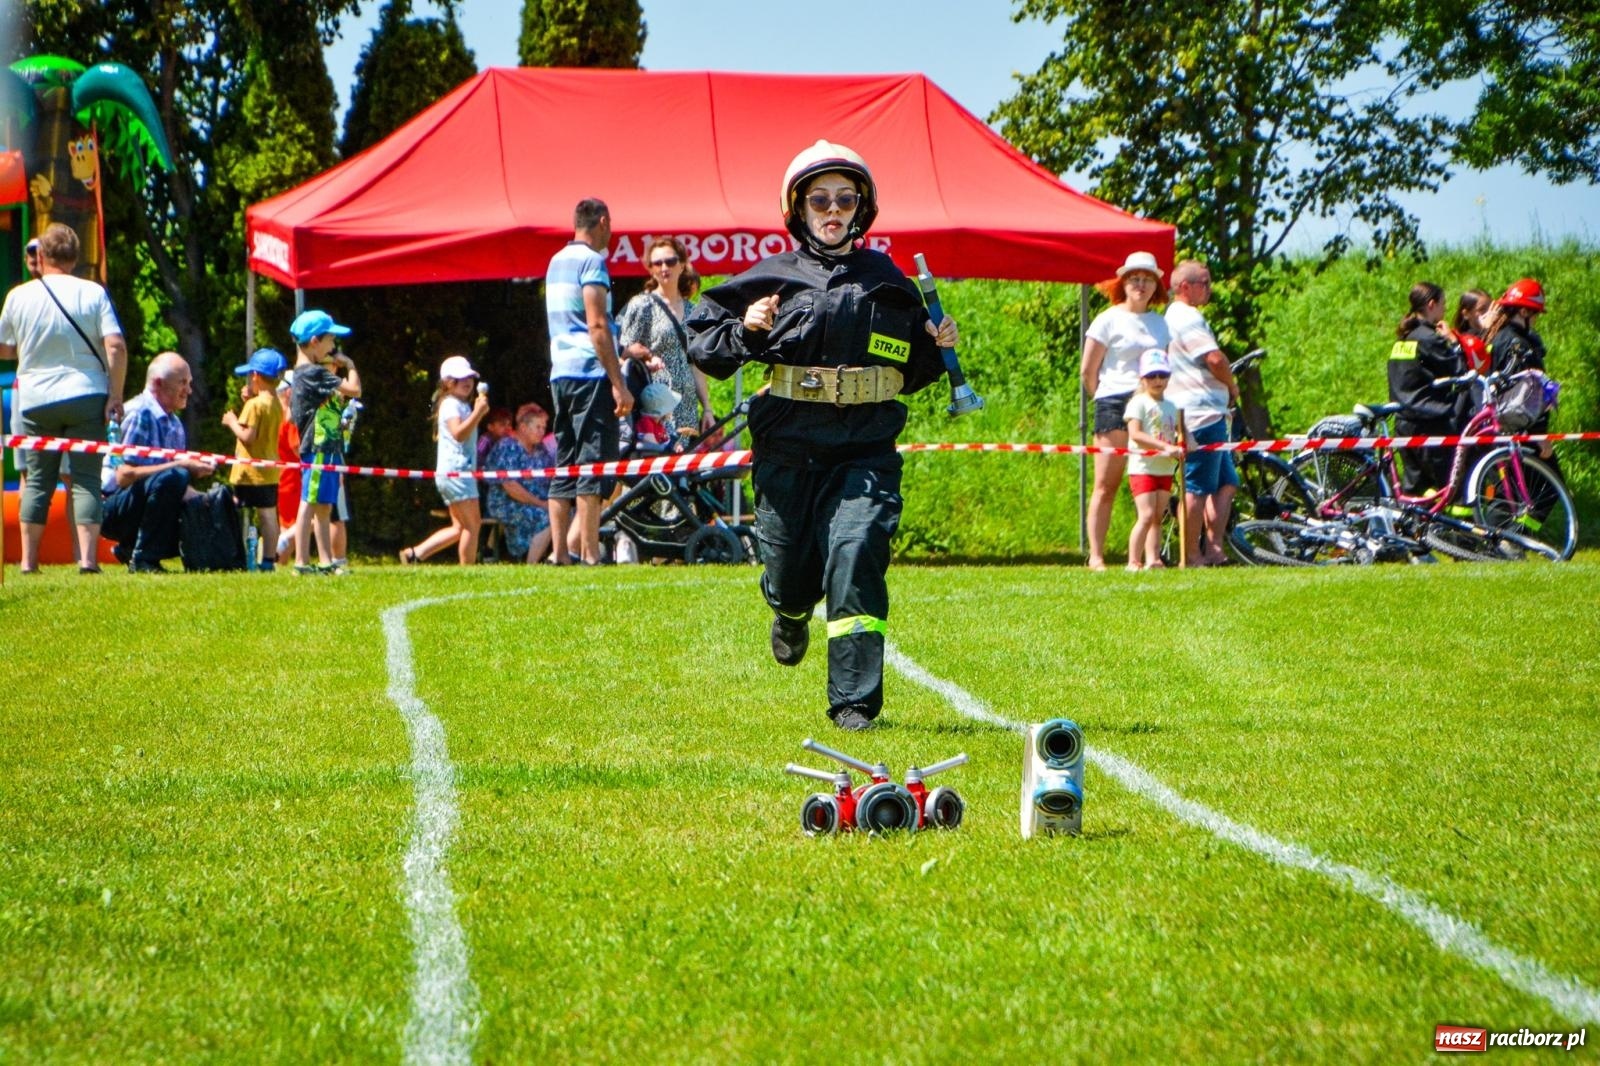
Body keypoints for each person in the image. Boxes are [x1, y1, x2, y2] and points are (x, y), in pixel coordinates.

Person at [687, 139, 958, 732]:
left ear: (861, 209)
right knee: (791, 577)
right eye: (819, 200)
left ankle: (854, 703)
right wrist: (746, 329)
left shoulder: (887, 282)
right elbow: (703, 341)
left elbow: (910, 371)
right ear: (798, 210)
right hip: (787, 451)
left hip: (865, 451)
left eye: (844, 199)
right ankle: (788, 609)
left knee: (857, 551)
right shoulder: (771, 277)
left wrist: (936, 347)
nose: (833, 210)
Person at [0, 223, 127, 573]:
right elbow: (115, 345)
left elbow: (4, 349)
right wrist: (115, 395)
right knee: (86, 479)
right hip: (86, 393)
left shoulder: (18, 296)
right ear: (75, 256)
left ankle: (29, 561)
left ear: (41, 255)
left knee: (37, 479)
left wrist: (31, 350)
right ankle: (87, 560)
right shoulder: (93, 293)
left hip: (34, 398)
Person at [544, 198, 631, 565]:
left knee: (565, 461)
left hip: (560, 372)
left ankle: (560, 553)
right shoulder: (592, 261)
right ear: (603, 221)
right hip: (589, 373)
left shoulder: (556, 261)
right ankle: (591, 554)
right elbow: (596, 325)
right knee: (592, 462)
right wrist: (618, 383)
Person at [1080, 250, 1171, 571]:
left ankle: (1149, 557)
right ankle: (1096, 556)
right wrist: (1104, 397)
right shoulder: (1108, 319)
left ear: (1156, 285)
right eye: (1135, 279)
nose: (1141, 285)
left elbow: (1165, 366)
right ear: (1124, 283)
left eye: (1147, 279)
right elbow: (1088, 371)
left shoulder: (1160, 323)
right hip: (1113, 401)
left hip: (1151, 405)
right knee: (1107, 483)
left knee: (1153, 482)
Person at [100, 352, 215, 572]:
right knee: (176, 475)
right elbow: (123, 476)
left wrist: (206, 500)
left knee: (196, 500)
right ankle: (143, 559)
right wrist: (181, 464)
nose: (189, 390)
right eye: (182, 383)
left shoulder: (175, 424)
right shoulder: (139, 414)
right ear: (159, 383)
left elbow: (169, 485)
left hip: (137, 501)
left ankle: (129, 548)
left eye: (190, 383)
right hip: (111, 506)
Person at [1165, 259, 1241, 567]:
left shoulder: (1176, 317)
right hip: (1200, 413)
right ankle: (1191, 555)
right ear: (1185, 287)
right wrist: (1232, 385)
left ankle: (1214, 549)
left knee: (1226, 483)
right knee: (1196, 488)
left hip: (1209, 411)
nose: (1210, 289)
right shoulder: (1187, 317)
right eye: (1205, 283)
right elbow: (1214, 359)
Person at [288, 309, 361, 575]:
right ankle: (301, 562)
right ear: (315, 341)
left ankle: (325, 561)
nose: (333, 348)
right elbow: (355, 390)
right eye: (330, 340)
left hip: (326, 447)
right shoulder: (313, 373)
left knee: (323, 506)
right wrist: (350, 365)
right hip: (318, 446)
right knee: (309, 502)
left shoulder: (305, 372)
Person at [618, 236, 715, 436]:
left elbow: (695, 365)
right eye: (657, 263)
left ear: (682, 265)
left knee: (685, 456)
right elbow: (623, 354)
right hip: (656, 404)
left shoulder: (693, 310)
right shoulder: (641, 306)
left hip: (686, 404)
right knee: (659, 454)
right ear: (651, 269)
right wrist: (646, 359)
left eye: (670, 261)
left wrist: (707, 407)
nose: (664, 267)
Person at [400, 355, 489, 566]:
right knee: (472, 525)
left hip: (455, 472)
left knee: (459, 527)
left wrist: (476, 412)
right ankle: (467, 572)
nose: (467, 382)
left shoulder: (460, 404)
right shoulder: (451, 404)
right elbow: (458, 433)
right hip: (457, 472)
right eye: (461, 378)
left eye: (470, 377)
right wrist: (478, 413)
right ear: (448, 382)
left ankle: (414, 555)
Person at [1387, 281, 1466, 495]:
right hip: (1431, 422)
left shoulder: (1405, 338)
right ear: (1431, 304)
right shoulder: (1429, 338)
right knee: (1446, 489)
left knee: (1415, 491)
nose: (1445, 309)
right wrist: (1453, 342)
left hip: (1404, 422)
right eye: (1443, 304)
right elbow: (1459, 370)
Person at [1482, 277, 1562, 475]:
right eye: (1535, 314)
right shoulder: (1521, 346)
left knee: (1507, 486)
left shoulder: (1496, 337)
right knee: (1550, 485)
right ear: (1524, 312)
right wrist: (1539, 435)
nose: (1535, 320)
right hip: (1523, 431)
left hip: (1497, 427)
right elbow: (1531, 394)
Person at [221, 347, 287, 571]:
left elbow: (248, 437)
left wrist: (232, 422)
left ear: (256, 376)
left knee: (235, 512)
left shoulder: (254, 405)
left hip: (249, 473)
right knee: (268, 516)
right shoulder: (276, 403)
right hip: (269, 471)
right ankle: (268, 561)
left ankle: (236, 555)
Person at [1123, 350, 1185, 571]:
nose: (1157, 380)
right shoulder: (1138, 403)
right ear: (1143, 378)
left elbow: (1180, 432)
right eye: (1151, 376)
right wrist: (1165, 447)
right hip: (1143, 468)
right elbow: (1136, 434)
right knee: (1146, 515)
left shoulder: (1172, 406)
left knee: (1158, 516)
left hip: (1164, 469)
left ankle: (1153, 558)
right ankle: (1133, 560)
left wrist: (1186, 444)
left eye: (1162, 375)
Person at [484, 402, 556, 564]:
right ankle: (531, 564)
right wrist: (541, 504)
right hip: (506, 503)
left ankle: (563, 559)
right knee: (549, 517)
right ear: (523, 427)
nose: (542, 431)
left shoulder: (540, 450)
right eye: (537, 427)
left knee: (565, 513)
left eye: (544, 427)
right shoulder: (507, 447)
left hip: (537, 502)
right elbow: (510, 486)